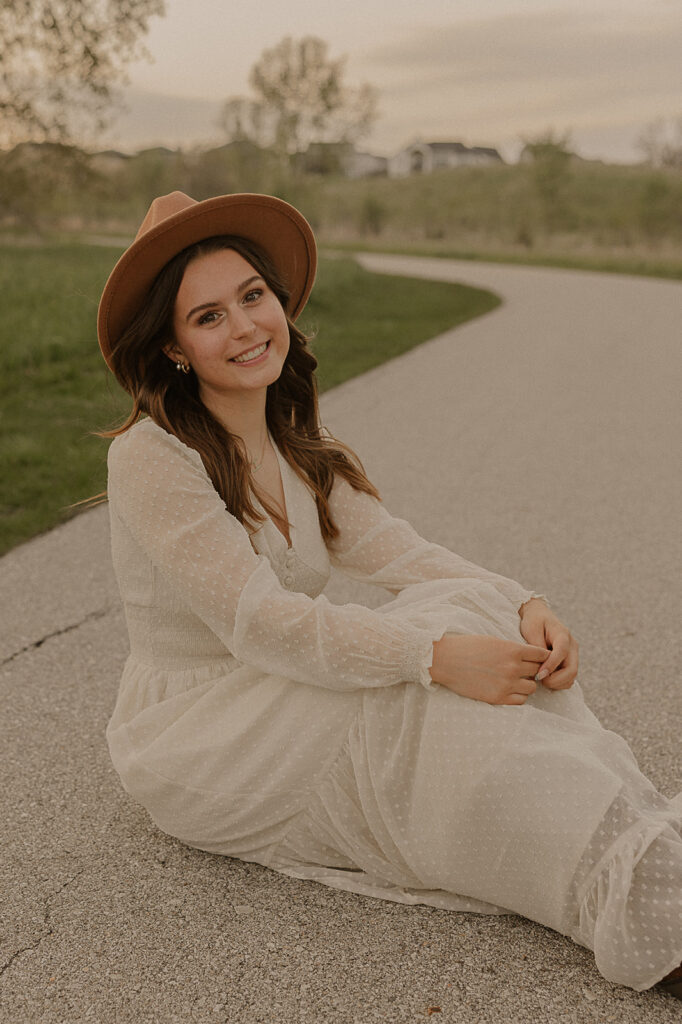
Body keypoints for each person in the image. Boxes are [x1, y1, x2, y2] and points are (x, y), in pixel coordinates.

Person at [98, 190, 681, 999]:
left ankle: (640, 841)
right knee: (417, 693)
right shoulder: (150, 459)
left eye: (252, 297)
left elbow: (401, 552)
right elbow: (261, 625)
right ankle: (627, 900)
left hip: (275, 686)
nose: (243, 327)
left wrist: (522, 601)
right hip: (204, 728)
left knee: (460, 615)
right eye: (208, 317)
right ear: (171, 348)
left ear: (279, 301)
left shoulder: (296, 446)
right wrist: (434, 660)